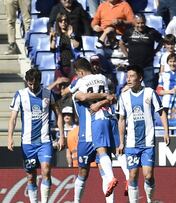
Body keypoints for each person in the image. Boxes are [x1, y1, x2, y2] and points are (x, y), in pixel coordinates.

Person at [8, 69, 65, 203]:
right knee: (30, 176)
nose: (32, 87)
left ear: (40, 81)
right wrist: (10, 137)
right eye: (30, 84)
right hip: (28, 143)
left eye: (35, 84)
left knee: (46, 171)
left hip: (45, 141)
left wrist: (62, 136)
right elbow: (13, 118)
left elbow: (59, 114)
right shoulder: (20, 95)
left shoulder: (48, 93)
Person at [116, 65, 170, 203]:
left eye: (132, 76)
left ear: (140, 78)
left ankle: (150, 200)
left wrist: (166, 131)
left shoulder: (150, 93)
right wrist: (121, 142)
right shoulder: (123, 97)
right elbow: (121, 120)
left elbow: (161, 112)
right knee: (133, 175)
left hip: (148, 142)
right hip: (131, 144)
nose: (128, 79)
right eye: (127, 76)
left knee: (148, 175)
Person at [70, 58, 119, 202]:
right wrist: (105, 96)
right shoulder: (101, 81)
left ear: (80, 72)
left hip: (90, 133)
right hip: (93, 131)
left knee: (95, 172)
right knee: (86, 172)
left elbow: (73, 92)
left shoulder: (80, 85)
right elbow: (111, 93)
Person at [119, 13, 163, 89]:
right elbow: (121, 43)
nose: (140, 25)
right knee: (133, 85)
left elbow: (161, 41)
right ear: (134, 22)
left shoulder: (151, 31)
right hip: (133, 65)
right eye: (138, 23)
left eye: (142, 23)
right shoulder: (129, 32)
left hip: (147, 65)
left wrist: (155, 51)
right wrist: (127, 55)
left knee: (150, 86)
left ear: (145, 22)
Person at [50, 12, 80, 95]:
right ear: (58, 22)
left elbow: (77, 46)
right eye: (61, 21)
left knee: (73, 89)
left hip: (72, 66)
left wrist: (71, 36)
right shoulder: (56, 35)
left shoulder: (73, 33)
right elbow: (52, 48)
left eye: (65, 20)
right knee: (58, 91)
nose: (63, 23)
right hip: (60, 66)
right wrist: (54, 38)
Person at [156, 53, 176, 126]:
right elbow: (158, 91)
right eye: (170, 61)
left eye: (174, 61)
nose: (172, 63)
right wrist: (170, 92)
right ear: (167, 62)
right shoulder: (163, 74)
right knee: (165, 122)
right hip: (166, 101)